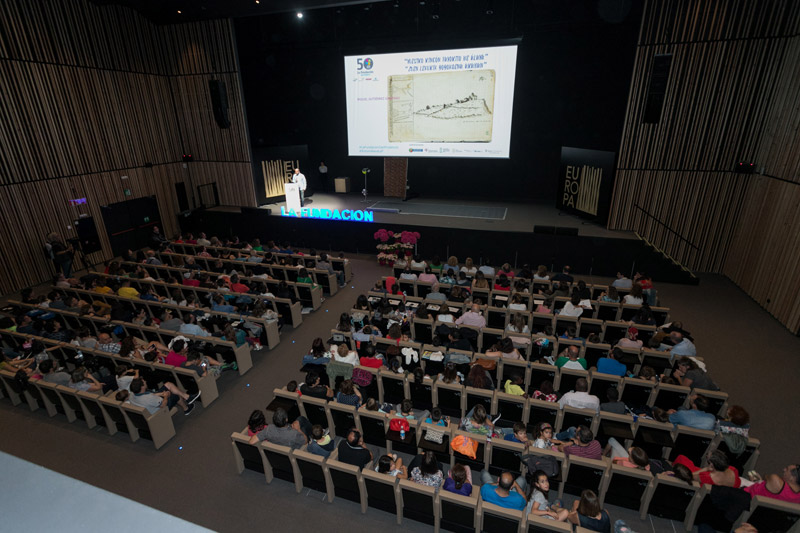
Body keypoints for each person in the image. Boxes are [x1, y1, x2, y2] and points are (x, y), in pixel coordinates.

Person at [129, 377, 198, 416]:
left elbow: (149, 395)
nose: (146, 381)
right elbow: (163, 405)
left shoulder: (132, 394)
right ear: (142, 387)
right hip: (159, 411)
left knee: (168, 384)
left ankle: (187, 397)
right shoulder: (148, 398)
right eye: (144, 382)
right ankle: (186, 409)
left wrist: (161, 393)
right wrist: (165, 396)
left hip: (152, 403)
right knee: (175, 395)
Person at [672, 450, 740, 487]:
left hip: (703, 482)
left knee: (681, 459)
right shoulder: (733, 469)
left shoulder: (707, 477)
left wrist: (705, 469)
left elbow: (688, 476)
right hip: (717, 481)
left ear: (711, 465)